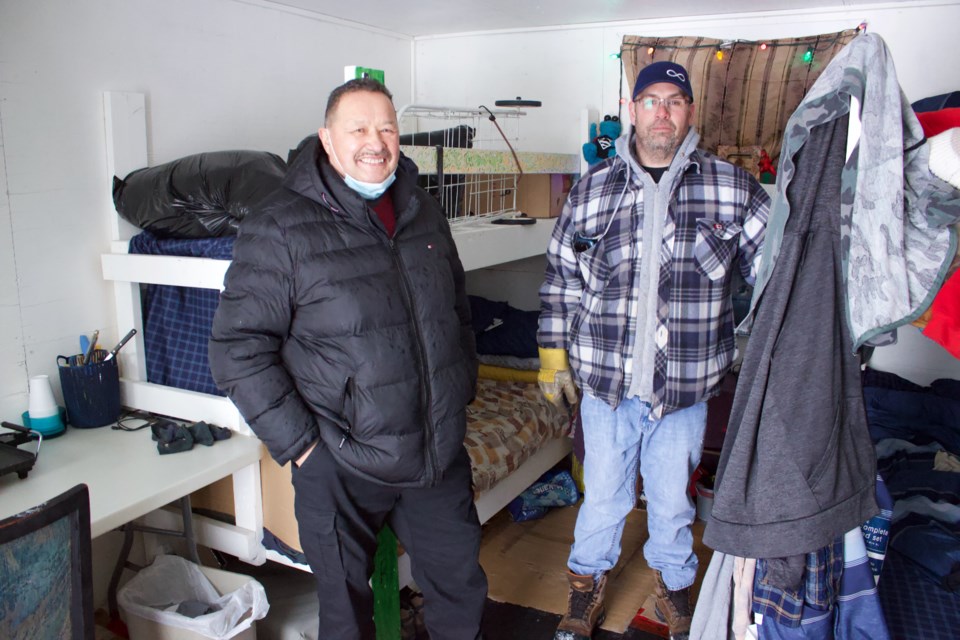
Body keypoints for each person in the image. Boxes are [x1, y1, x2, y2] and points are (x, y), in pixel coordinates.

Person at [209, 78, 487, 640]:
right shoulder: (280, 226)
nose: (375, 141)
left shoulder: (424, 209)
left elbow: (456, 311)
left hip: (432, 451)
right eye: (357, 128)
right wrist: (305, 447)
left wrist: (458, 394)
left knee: (462, 591)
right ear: (327, 140)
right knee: (345, 614)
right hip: (340, 459)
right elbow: (237, 349)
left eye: (386, 127)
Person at [537, 61, 770, 640]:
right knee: (604, 501)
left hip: (684, 392)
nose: (661, 111)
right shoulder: (592, 191)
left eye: (674, 100)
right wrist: (551, 355)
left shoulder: (732, 187)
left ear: (689, 111)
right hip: (606, 389)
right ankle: (585, 589)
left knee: (672, 505)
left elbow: (778, 271)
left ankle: (674, 588)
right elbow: (561, 279)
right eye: (650, 100)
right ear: (632, 109)